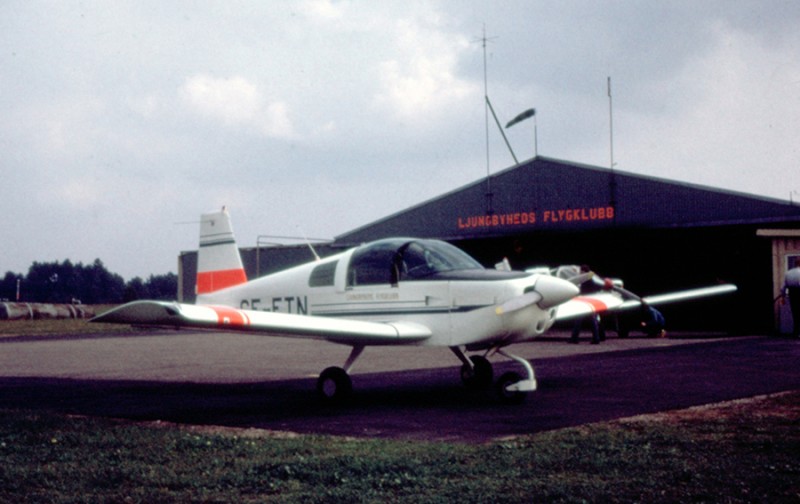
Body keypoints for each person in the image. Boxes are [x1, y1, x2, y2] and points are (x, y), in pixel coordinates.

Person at [784, 262, 800, 337]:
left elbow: (784, 285)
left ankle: (796, 331)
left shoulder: (788, 273)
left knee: (795, 312)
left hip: (792, 293)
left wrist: (783, 294)